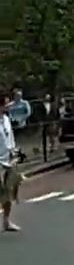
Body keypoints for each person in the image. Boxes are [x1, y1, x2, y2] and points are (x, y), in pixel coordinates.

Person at [0, 96, 23, 232]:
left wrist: (14, 152)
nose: (9, 106)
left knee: (9, 193)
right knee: (2, 192)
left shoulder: (7, 120)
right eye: (6, 104)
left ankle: (6, 222)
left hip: (9, 161)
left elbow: (11, 138)